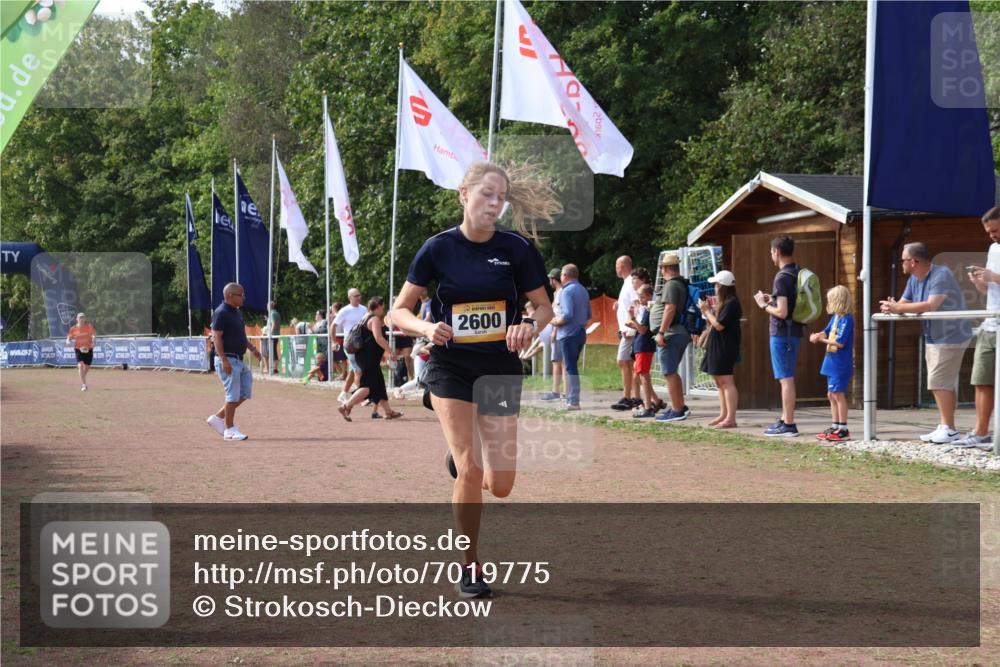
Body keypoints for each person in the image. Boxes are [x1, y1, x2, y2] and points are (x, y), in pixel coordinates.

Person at [390, 161, 557, 599]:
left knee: (500, 484)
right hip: (450, 367)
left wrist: (528, 324)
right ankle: (470, 566)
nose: (494, 203)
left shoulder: (516, 249)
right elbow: (397, 311)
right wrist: (427, 329)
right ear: (464, 194)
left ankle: (463, 464)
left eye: (500, 197)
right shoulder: (437, 249)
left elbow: (545, 308)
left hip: (500, 367)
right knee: (470, 467)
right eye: (486, 194)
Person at [880, 242, 972, 444]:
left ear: (914, 261)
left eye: (903, 259)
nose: (901, 263)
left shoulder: (941, 274)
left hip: (952, 334)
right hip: (933, 335)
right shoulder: (914, 278)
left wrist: (897, 308)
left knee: (938, 381)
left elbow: (931, 305)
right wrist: (892, 307)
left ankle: (949, 428)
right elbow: (903, 304)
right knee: (941, 382)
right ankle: (946, 426)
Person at [754, 235, 803, 437]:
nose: (771, 256)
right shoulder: (797, 272)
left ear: (777, 252)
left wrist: (764, 305)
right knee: (786, 376)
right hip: (794, 331)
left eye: (771, 252)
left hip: (783, 333)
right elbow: (787, 303)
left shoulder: (782, 277)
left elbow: (782, 312)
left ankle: (789, 424)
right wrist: (772, 298)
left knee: (785, 378)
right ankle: (784, 418)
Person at [959, 206, 1000, 450]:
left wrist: (994, 277)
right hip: (990, 321)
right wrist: (980, 282)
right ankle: (981, 432)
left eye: (994, 230)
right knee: (981, 379)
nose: (992, 235)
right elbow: (990, 288)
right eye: (988, 232)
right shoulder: (993, 249)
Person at [206, 283, 262, 441]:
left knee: (244, 392)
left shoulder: (236, 313)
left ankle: (218, 418)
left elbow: (240, 336)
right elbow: (216, 337)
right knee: (232, 395)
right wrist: (224, 361)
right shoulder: (221, 312)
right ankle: (229, 430)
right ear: (230, 295)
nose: (243, 297)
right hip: (228, 359)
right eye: (241, 295)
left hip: (238, 359)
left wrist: (252, 348)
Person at [338, 297, 402, 421]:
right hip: (368, 358)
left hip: (365, 356)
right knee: (367, 387)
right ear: (377, 306)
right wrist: (390, 351)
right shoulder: (374, 319)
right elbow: (378, 338)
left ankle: (389, 412)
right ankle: (346, 406)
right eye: (382, 308)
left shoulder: (364, 317)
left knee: (379, 384)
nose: (382, 311)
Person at [810, 285, 854, 441]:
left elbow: (840, 342)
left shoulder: (847, 319)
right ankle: (835, 426)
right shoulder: (836, 317)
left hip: (840, 363)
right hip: (831, 361)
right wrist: (817, 335)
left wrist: (820, 339)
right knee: (831, 394)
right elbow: (826, 331)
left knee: (838, 394)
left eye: (831, 301)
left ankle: (843, 428)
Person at [698, 270, 742, 428]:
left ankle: (731, 418)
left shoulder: (731, 303)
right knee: (719, 381)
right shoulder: (725, 302)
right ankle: (724, 414)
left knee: (726, 381)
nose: (715, 287)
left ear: (723, 286)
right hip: (718, 345)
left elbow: (719, 325)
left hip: (726, 347)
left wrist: (707, 311)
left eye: (717, 284)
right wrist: (711, 310)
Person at [653, 253, 692, 422]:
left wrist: (661, 332)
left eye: (662, 267)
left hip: (670, 333)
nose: (661, 270)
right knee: (672, 372)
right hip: (677, 332)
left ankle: (677, 410)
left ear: (666, 268)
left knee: (669, 372)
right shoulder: (678, 284)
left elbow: (669, 309)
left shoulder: (671, 285)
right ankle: (679, 406)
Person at [550, 264, 591, 410]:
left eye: (561, 274)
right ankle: (571, 398)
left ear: (565, 275)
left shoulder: (566, 291)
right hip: (580, 333)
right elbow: (588, 315)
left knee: (570, 367)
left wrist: (554, 321)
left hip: (567, 334)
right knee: (572, 366)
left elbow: (567, 314)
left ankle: (573, 401)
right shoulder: (583, 290)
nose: (560, 277)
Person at [611, 255, 639, 410]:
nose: (616, 268)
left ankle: (629, 396)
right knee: (628, 363)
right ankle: (632, 396)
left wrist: (630, 328)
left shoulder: (630, 282)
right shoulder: (626, 283)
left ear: (621, 267)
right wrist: (619, 304)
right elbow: (629, 302)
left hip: (629, 330)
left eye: (616, 265)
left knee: (623, 361)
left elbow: (636, 303)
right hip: (626, 329)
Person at [625, 284, 657, 418]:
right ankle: (653, 403)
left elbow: (643, 329)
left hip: (644, 345)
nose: (640, 299)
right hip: (641, 345)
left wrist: (632, 319)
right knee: (643, 375)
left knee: (644, 376)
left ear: (649, 296)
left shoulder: (650, 309)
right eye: (639, 297)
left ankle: (648, 406)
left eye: (642, 297)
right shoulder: (645, 308)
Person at [334, 288, 367, 403]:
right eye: (356, 296)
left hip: (362, 345)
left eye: (359, 295)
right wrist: (334, 342)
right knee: (359, 371)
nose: (359, 297)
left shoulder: (364, 309)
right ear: (350, 298)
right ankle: (362, 397)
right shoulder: (344, 311)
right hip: (350, 346)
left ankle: (343, 394)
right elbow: (332, 326)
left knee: (354, 371)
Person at [539, 268, 565, 401]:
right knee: (557, 361)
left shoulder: (561, 293)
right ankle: (558, 391)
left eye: (550, 278)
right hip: (557, 331)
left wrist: (554, 331)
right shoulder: (557, 293)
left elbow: (559, 314)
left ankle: (559, 392)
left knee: (558, 362)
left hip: (559, 331)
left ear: (553, 280)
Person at [66, 312, 97, 391]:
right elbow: (69, 337)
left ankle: (82, 377)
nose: (81, 319)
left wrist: (94, 341)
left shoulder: (89, 326)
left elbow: (93, 335)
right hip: (78, 349)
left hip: (89, 349)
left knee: (87, 367)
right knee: (80, 366)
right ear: (77, 319)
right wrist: (68, 342)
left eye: (83, 317)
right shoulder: (73, 329)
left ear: (85, 319)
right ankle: (84, 385)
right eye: (80, 318)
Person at [328, 302, 348, 380]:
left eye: (332, 308)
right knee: (333, 358)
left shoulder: (339, 316)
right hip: (335, 338)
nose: (331, 309)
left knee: (342, 358)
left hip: (340, 337)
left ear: (335, 308)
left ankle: (343, 374)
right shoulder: (334, 316)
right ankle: (343, 374)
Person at [263, 301, 281, 374]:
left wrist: (270, 334)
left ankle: (274, 369)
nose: (266, 307)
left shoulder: (272, 313)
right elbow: (273, 323)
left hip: (272, 336)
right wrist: (268, 319)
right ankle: (274, 368)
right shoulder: (275, 313)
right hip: (274, 335)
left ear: (269, 306)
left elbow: (274, 324)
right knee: (273, 351)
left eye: (267, 306)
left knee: (272, 352)